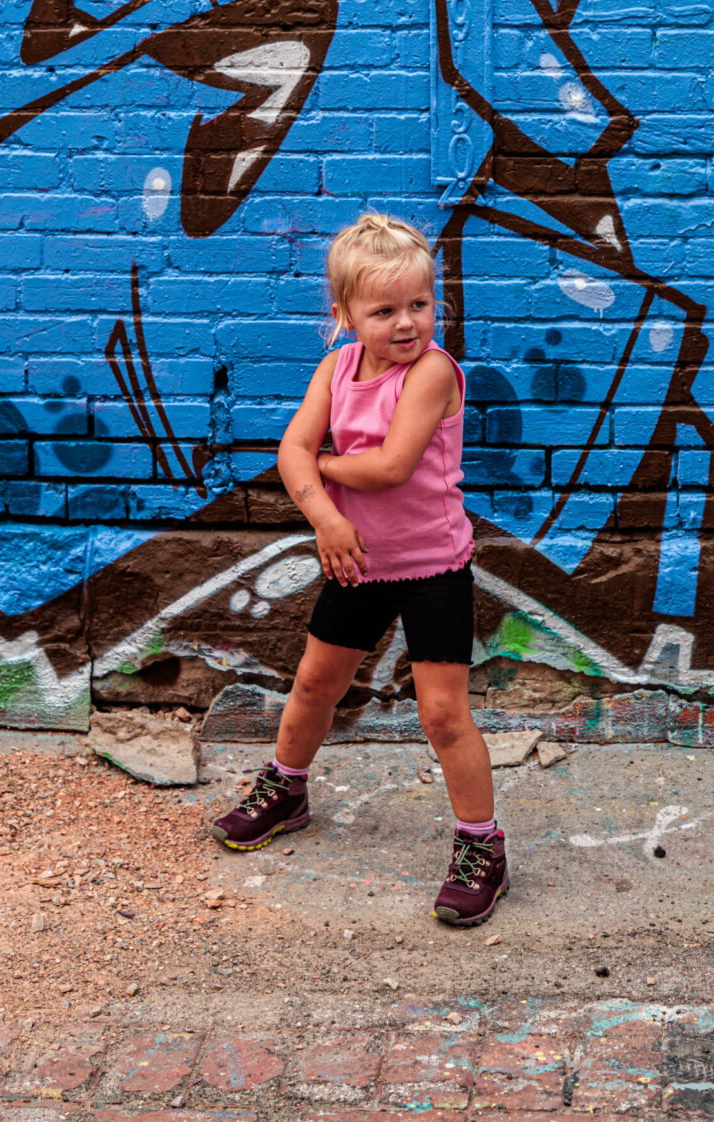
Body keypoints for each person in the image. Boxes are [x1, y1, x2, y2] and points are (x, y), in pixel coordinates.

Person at [211, 212, 507, 926]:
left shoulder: (433, 372)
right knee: (315, 683)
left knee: (442, 714)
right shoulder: (335, 368)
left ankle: (482, 846)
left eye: (420, 305)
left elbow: (391, 466)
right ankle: (286, 788)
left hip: (433, 567)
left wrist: (319, 470)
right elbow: (290, 450)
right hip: (358, 561)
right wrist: (325, 514)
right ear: (343, 316)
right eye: (385, 310)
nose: (407, 323)